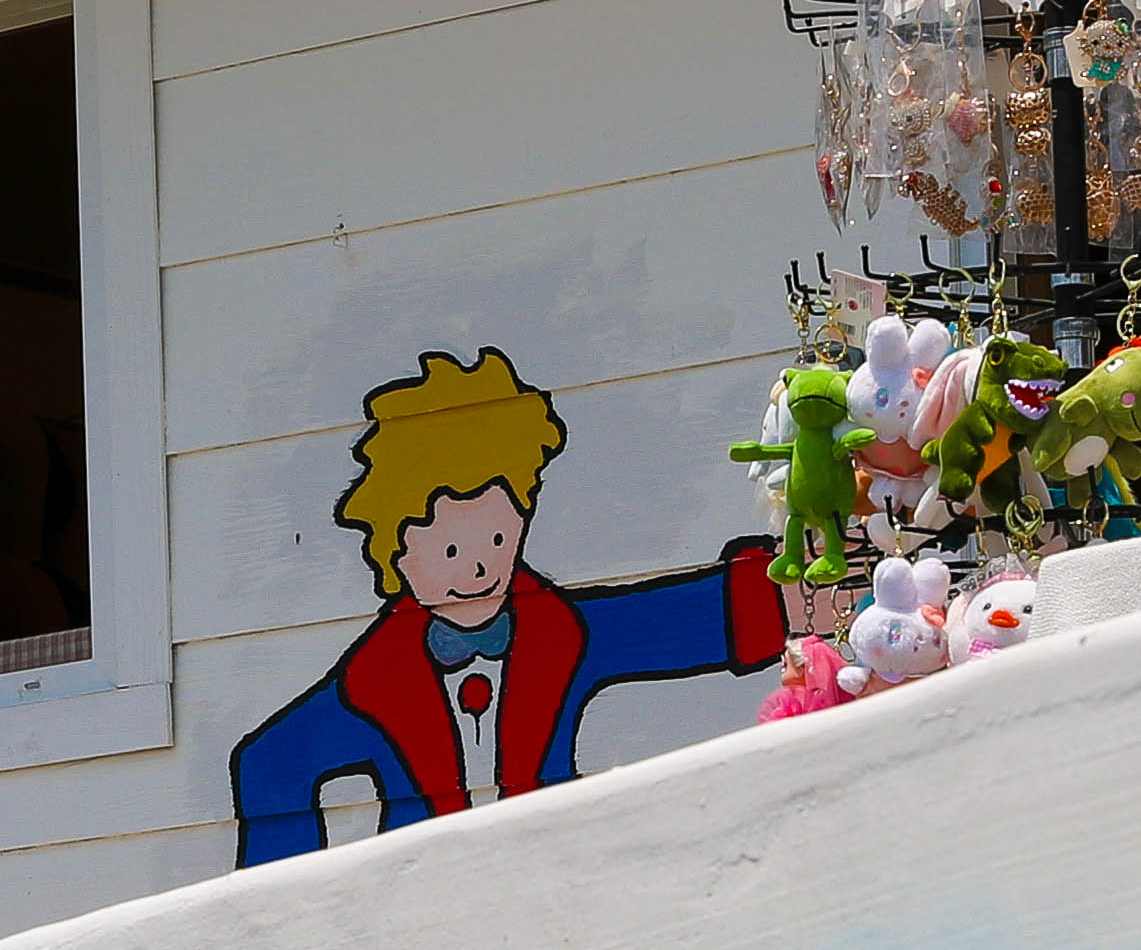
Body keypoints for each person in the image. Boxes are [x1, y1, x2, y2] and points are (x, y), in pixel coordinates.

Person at [230, 351, 810, 863]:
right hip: (422, 896)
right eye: (450, 551)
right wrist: (290, 909)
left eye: (499, 540)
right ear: (396, 554)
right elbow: (269, 764)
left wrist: (798, 583)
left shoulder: (558, 634)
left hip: (553, 871)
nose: (479, 569)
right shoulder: (372, 682)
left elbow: (671, 620)